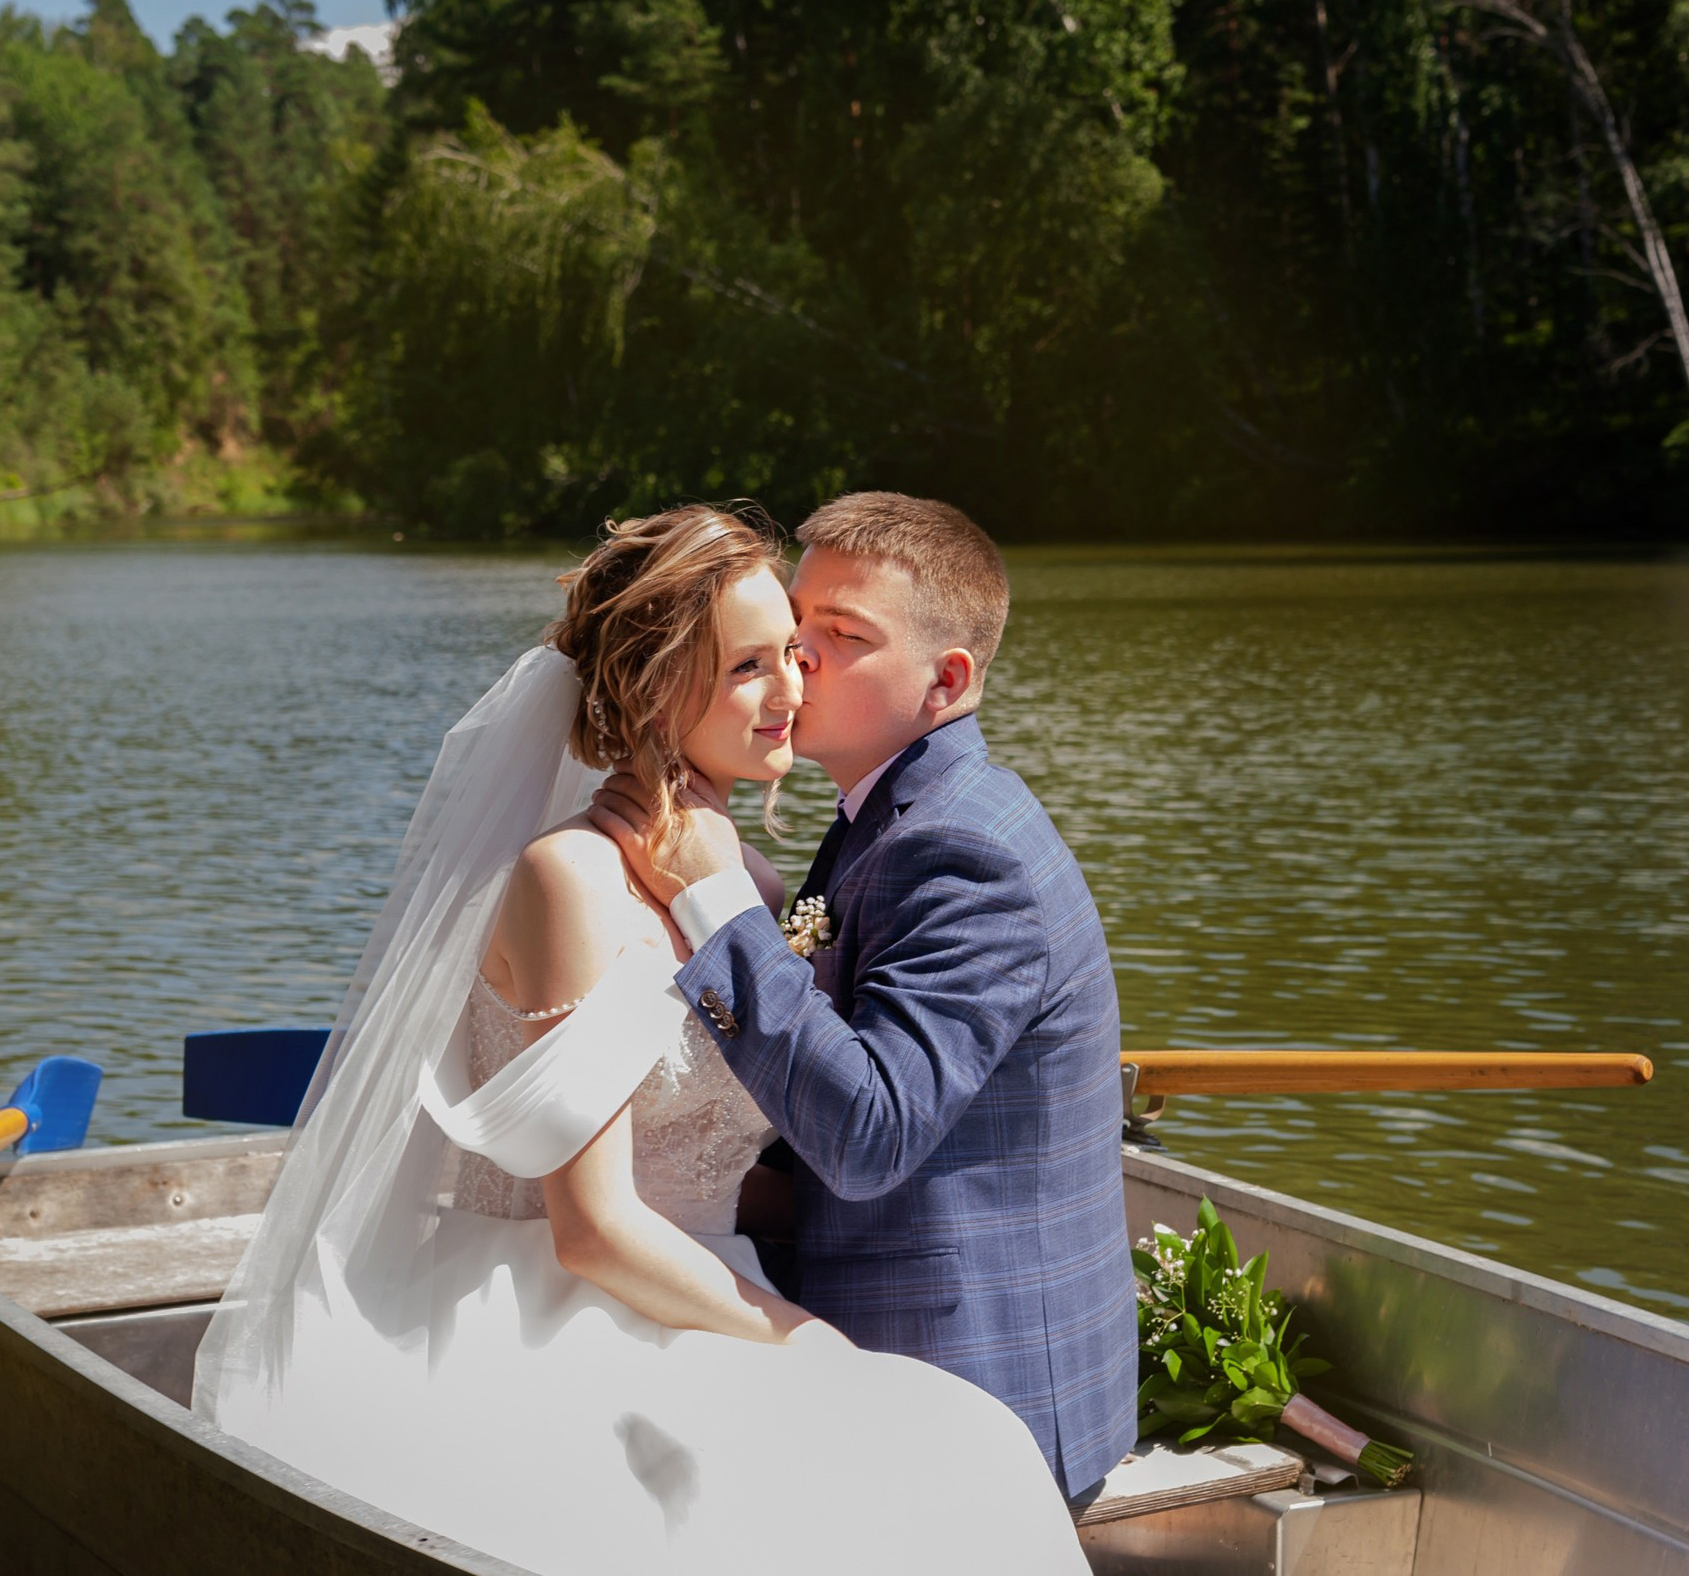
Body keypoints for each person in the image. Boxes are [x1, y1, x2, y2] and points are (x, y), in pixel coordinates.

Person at [192, 504, 1086, 1575]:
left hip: (707, 1282)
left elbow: (750, 1133)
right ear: (656, 687)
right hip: (569, 1303)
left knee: (955, 1449)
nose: (794, 688)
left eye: (800, 654)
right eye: (755, 662)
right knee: (901, 1458)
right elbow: (593, 1227)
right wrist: (805, 1340)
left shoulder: (739, 882)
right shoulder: (565, 878)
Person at [591, 492, 1138, 1503]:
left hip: (973, 1400)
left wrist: (715, 901)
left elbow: (867, 1132)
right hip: (901, 1338)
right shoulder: (882, 814)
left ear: (948, 680)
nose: (797, 662)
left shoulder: (963, 851)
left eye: (842, 638)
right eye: (796, 628)